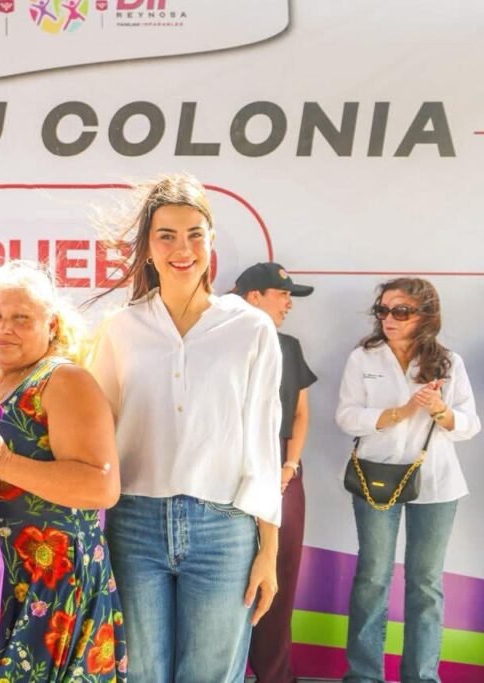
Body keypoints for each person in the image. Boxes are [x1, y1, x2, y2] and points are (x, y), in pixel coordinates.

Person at [89, 174, 283, 683]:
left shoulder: (251, 328)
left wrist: (269, 551)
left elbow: (264, 443)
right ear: (148, 247)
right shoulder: (120, 329)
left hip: (225, 528)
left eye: (195, 234)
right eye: (167, 236)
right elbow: (97, 433)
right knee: (139, 675)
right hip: (133, 526)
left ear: (211, 240)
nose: (183, 249)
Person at [0, 261, 126, 682]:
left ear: (51, 325)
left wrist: (3, 462)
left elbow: (101, 487)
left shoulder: (65, 380)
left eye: (21, 318)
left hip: (46, 587)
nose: (3, 328)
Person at [335, 278, 479, 683]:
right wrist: (399, 412)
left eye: (401, 311)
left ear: (425, 315)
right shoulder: (363, 358)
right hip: (374, 478)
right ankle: (363, 676)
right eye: (383, 310)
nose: (389, 319)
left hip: (435, 482)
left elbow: (469, 425)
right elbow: (346, 416)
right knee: (372, 578)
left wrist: (439, 410)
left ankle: (421, 676)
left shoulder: (448, 361)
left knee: (426, 583)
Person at [234, 262, 317, 683]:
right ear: (254, 297)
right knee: (228, 579)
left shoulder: (289, 346)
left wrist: (289, 465)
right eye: (282, 294)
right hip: (230, 471)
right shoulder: (217, 342)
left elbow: (300, 414)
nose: (289, 303)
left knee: (278, 578)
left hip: (283, 471)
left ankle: (274, 675)